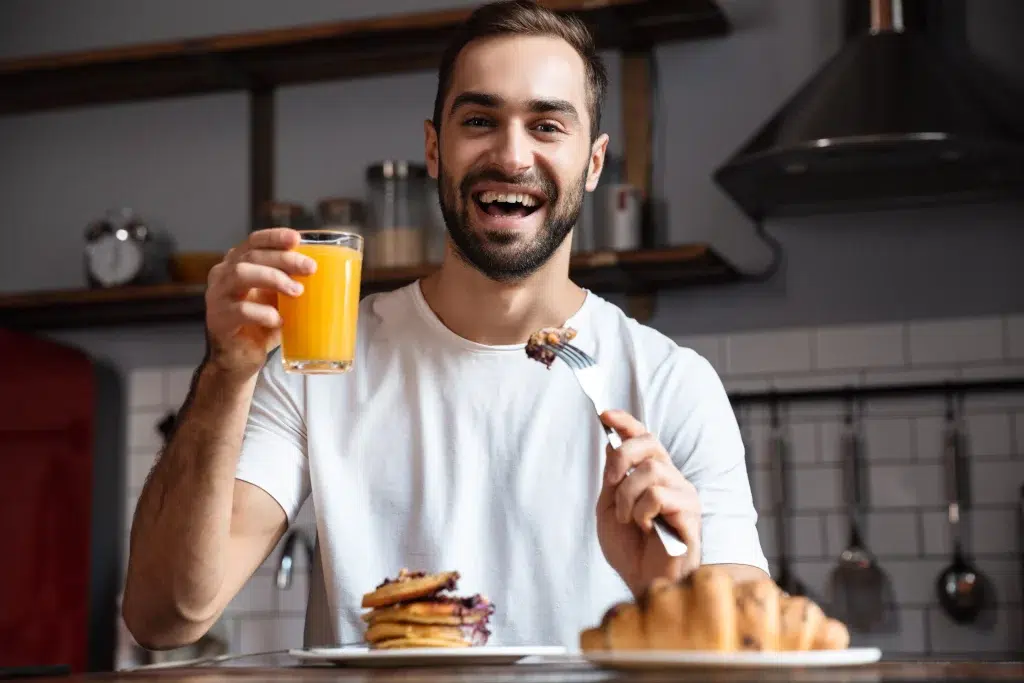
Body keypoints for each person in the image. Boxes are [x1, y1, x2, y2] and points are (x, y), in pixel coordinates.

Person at [122, 0, 768, 653]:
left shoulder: (672, 383)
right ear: (435, 148)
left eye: (547, 125)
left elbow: (749, 646)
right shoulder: (323, 361)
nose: (512, 156)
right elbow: (164, 615)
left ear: (594, 163)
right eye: (481, 121)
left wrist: (671, 590)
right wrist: (224, 373)